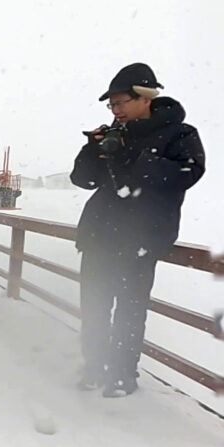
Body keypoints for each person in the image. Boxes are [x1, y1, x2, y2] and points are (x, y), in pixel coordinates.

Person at [70, 63, 205, 397]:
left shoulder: (180, 133)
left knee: (129, 310)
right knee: (94, 305)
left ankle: (122, 375)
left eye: (120, 103)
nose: (115, 110)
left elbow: (188, 174)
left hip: (141, 237)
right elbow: (82, 180)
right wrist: (93, 148)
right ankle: (95, 366)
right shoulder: (115, 134)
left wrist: (134, 157)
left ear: (145, 98)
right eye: (111, 105)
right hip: (99, 234)